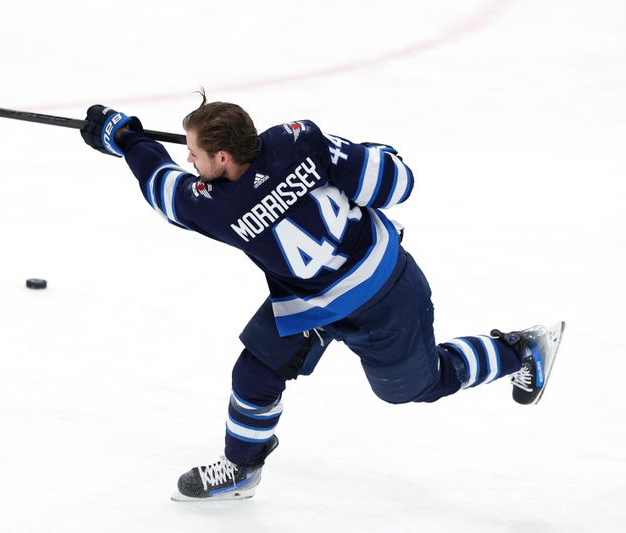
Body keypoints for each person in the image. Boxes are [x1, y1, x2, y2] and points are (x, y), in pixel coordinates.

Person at [79, 96, 565, 502]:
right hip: (315, 299)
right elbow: (395, 181)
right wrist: (355, 155)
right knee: (255, 371)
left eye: (196, 154)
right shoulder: (298, 139)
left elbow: (164, 187)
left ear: (224, 158)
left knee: (415, 385)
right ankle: (242, 467)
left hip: (382, 298)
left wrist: (125, 139)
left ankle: (518, 350)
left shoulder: (219, 207)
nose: (190, 161)